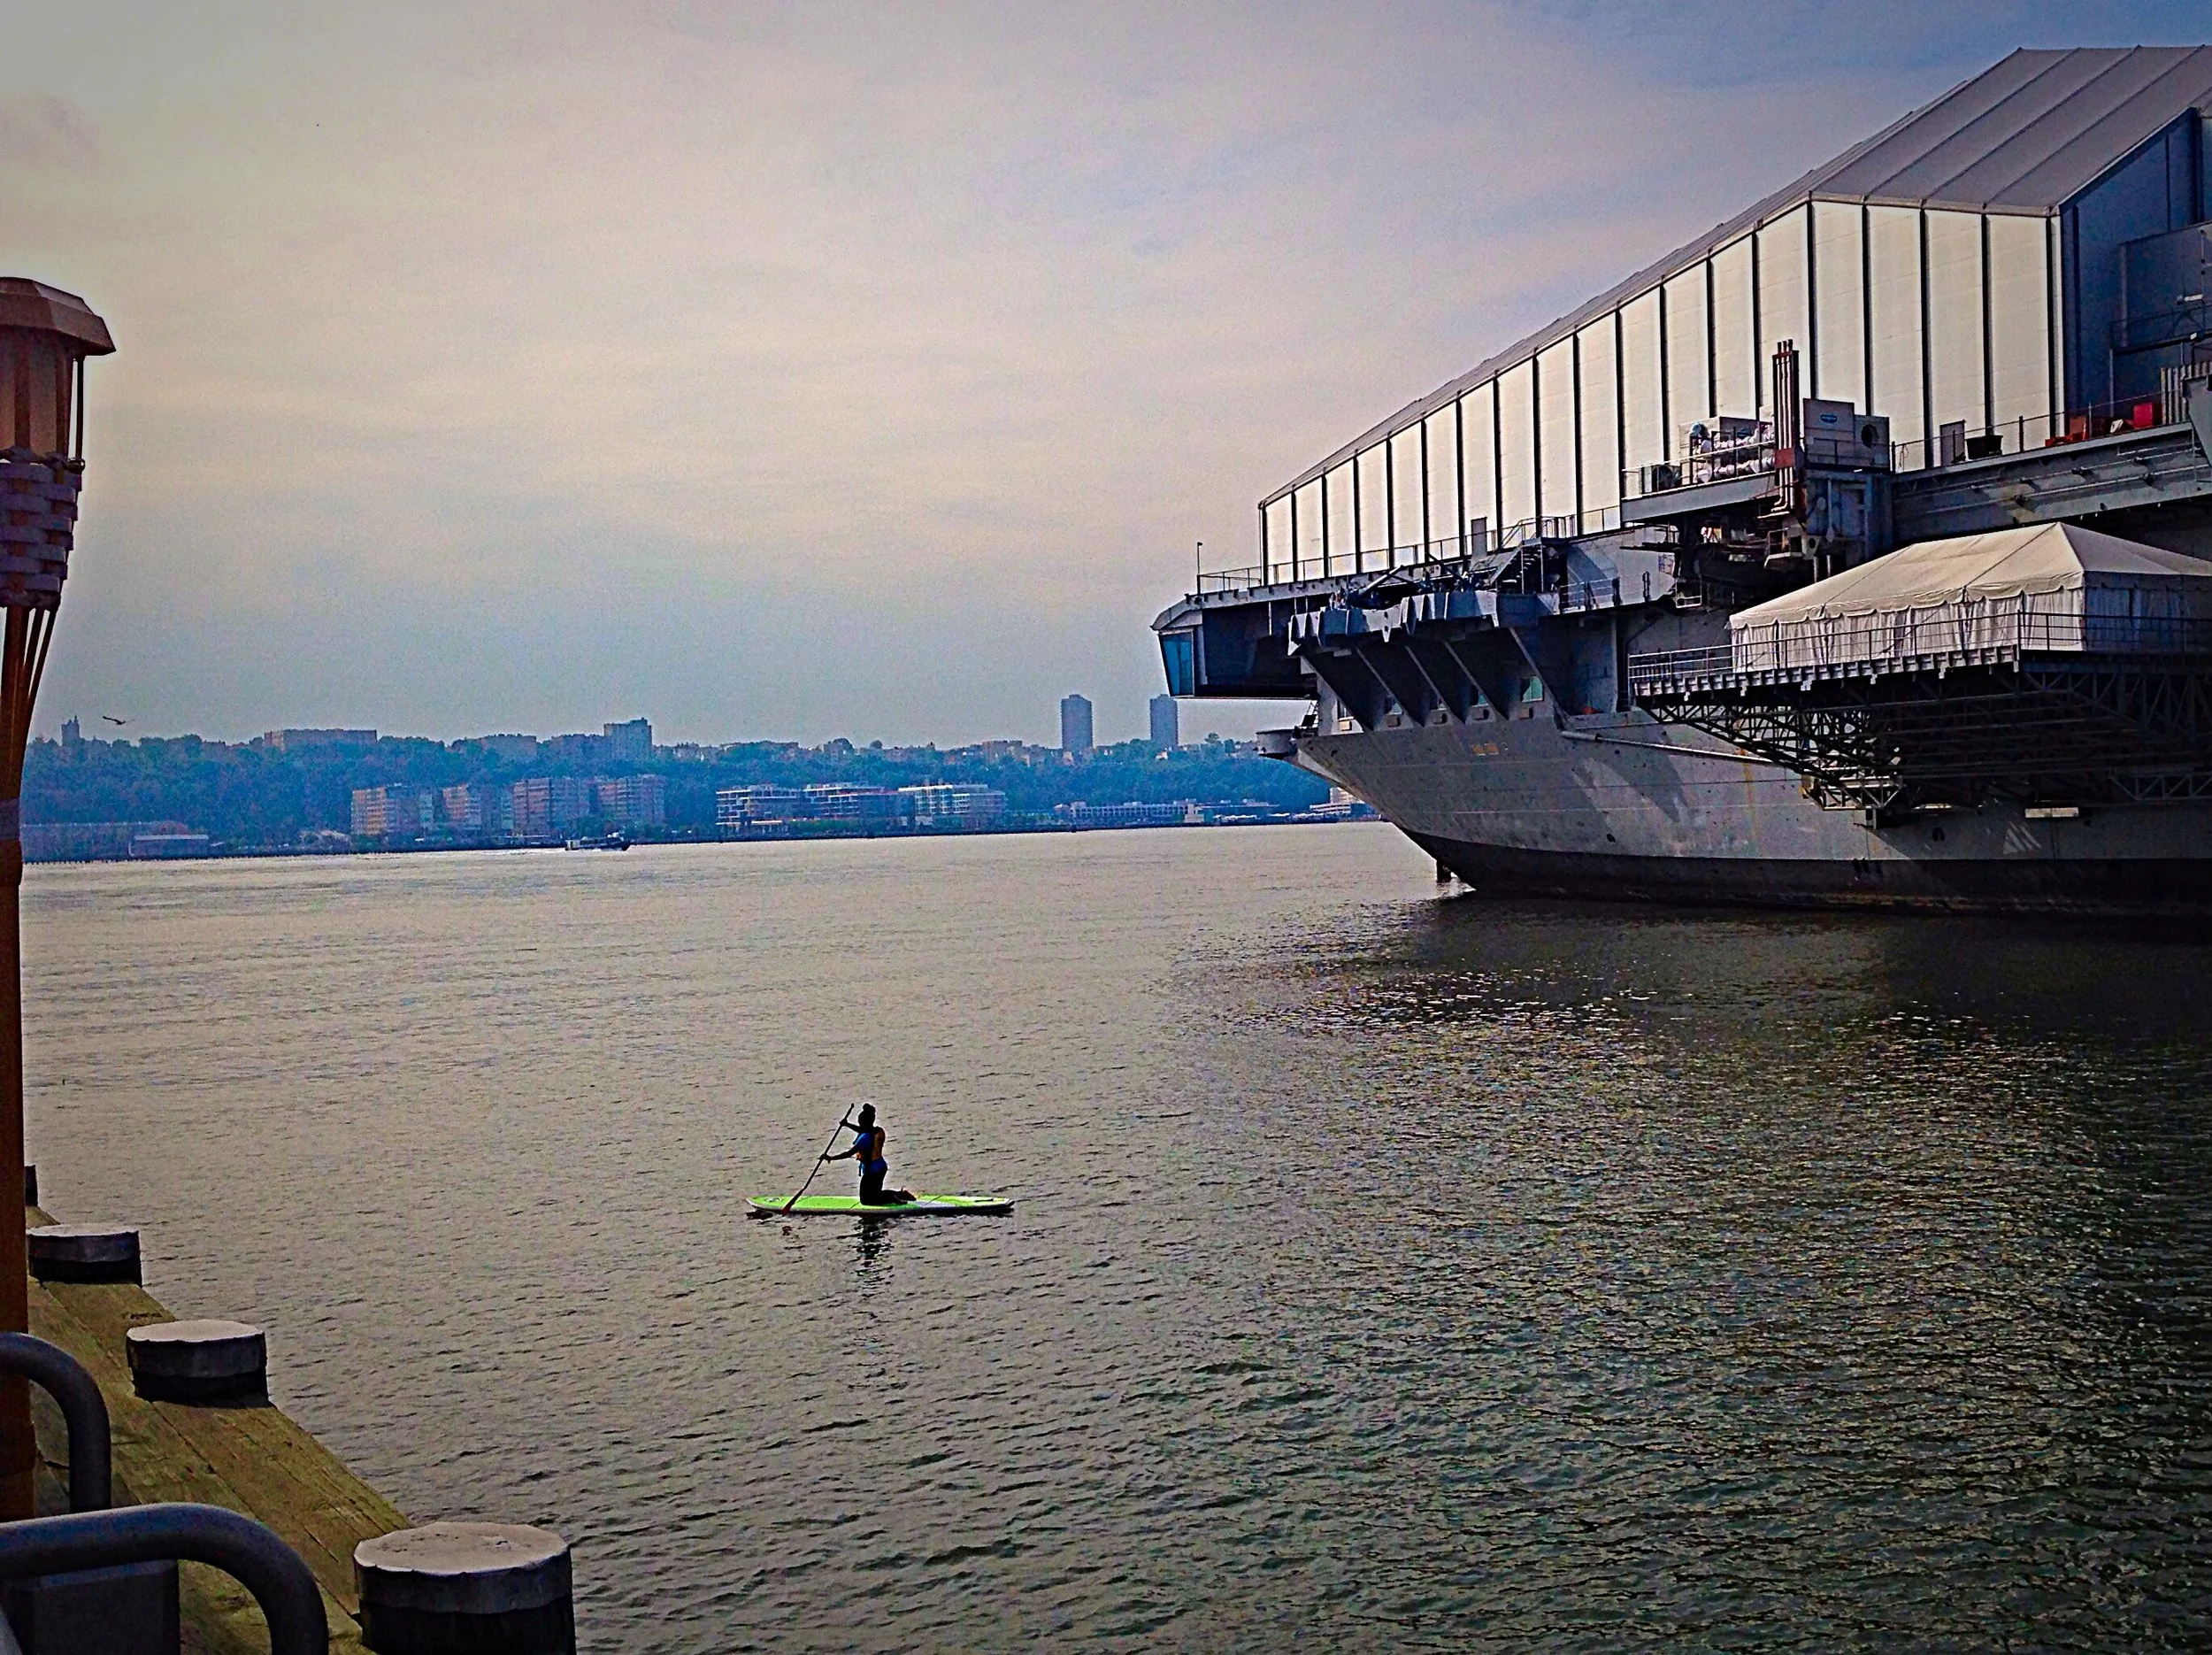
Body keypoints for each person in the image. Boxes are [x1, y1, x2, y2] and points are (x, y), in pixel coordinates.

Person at [822, 1103, 913, 1205]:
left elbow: (849, 1153)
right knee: (875, 1193)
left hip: (872, 1171)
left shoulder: (864, 1138)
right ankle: (901, 1195)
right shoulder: (877, 1131)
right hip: (881, 1167)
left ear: (862, 1122)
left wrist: (831, 1158)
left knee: (866, 1200)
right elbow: (862, 1130)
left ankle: (891, 1198)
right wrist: (847, 1125)